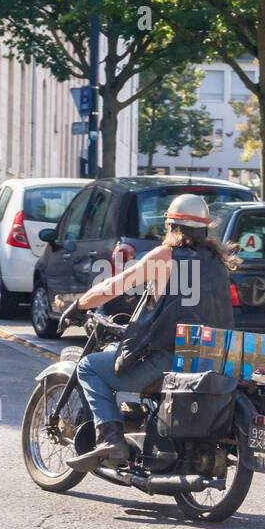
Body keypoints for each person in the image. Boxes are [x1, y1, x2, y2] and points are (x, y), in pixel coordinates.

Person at [64, 193, 240, 471]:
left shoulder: (165, 256)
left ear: (171, 227)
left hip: (167, 362)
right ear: (206, 229)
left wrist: (78, 305)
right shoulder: (217, 263)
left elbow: (113, 287)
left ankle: (111, 440)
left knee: (89, 367)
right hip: (209, 362)